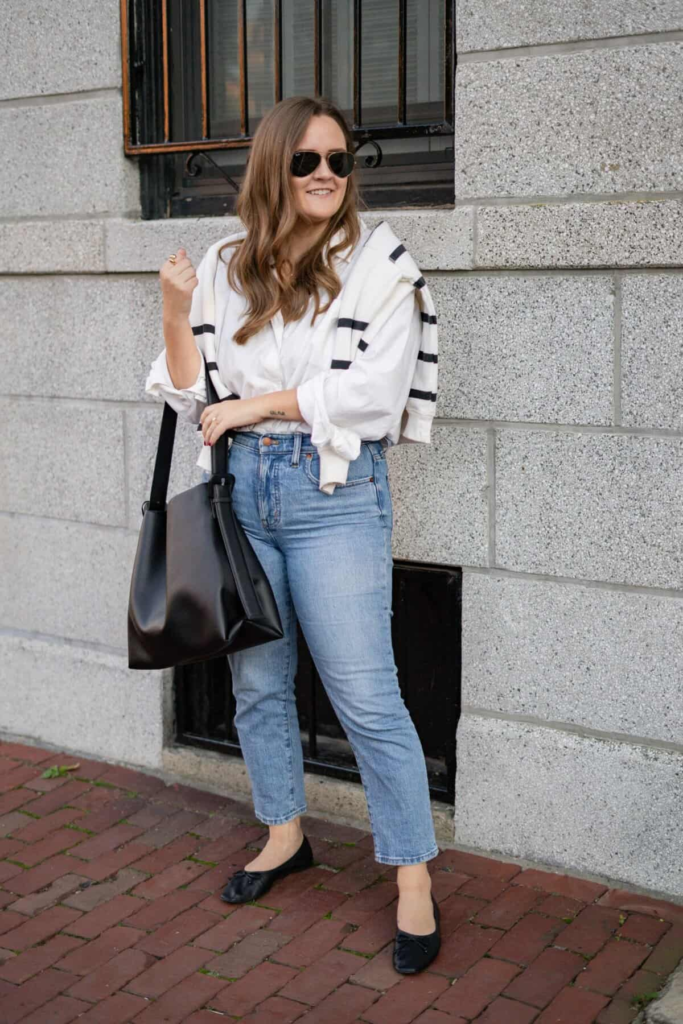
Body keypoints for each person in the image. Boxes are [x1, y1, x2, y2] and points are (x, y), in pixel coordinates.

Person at [145, 96, 441, 974]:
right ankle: (283, 833)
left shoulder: (378, 265)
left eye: (339, 162)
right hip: (242, 493)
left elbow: (373, 397)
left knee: (364, 694)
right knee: (260, 682)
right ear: (275, 168)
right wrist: (172, 309)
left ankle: (413, 878)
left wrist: (261, 405)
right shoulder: (225, 265)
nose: (324, 176)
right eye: (307, 161)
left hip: (333, 493)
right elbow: (184, 394)